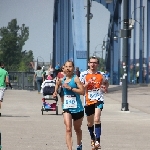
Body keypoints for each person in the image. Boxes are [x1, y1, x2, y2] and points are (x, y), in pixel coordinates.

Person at [53, 60, 85, 150]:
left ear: (73, 68)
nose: (68, 68)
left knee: (77, 129)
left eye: (70, 66)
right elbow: (57, 83)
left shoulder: (76, 79)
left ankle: (79, 145)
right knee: (68, 129)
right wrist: (55, 92)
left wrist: (71, 88)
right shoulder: (62, 79)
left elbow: (82, 92)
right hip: (67, 107)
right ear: (64, 68)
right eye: (66, 67)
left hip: (78, 108)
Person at [79, 56, 109, 149]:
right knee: (90, 123)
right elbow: (80, 88)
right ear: (88, 64)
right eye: (91, 62)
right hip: (88, 100)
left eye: (95, 63)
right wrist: (85, 85)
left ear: (97, 64)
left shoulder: (101, 74)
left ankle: (97, 141)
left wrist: (105, 87)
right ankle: (92, 137)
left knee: (97, 119)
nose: (93, 64)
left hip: (99, 99)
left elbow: (106, 82)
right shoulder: (83, 74)